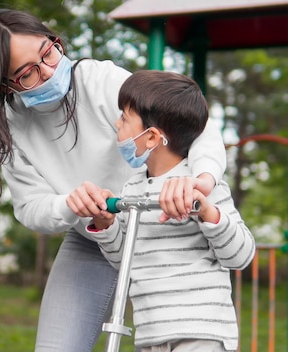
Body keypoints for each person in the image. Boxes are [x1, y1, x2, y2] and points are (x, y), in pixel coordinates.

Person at [0, 8, 227, 351]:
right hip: (95, 238)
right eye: (28, 72)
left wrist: (202, 181)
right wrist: (69, 204)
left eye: (48, 51)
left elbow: (199, 126)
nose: (49, 70)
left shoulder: (100, 80)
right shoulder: (10, 127)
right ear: (5, 85)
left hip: (166, 229)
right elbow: (30, 206)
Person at [82, 70, 256, 351]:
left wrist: (206, 211)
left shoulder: (199, 185)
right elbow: (124, 261)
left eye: (125, 118)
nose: (117, 123)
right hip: (151, 335)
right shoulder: (132, 189)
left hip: (201, 332)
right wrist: (105, 224)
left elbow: (241, 255)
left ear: (151, 138)